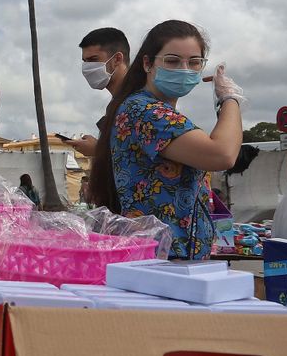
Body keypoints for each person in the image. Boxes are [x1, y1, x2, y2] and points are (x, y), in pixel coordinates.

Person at [98, 20, 244, 259]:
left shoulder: (159, 111)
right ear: (148, 63)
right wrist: (229, 99)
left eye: (194, 62)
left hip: (174, 255)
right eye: (172, 61)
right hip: (162, 257)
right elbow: (222, 154)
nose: (184, 69)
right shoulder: (146, 112)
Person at [77, 27, 130, 207]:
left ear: (117, 59)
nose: (87, 68)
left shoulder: (136, 102)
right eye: (84, 62)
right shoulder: (117, 103)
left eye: (93, 60)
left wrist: (98, 149)